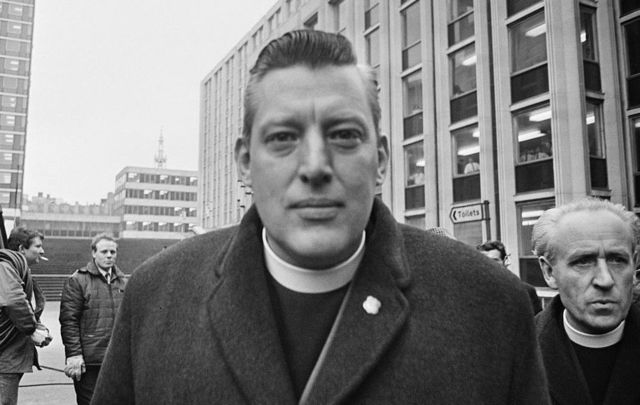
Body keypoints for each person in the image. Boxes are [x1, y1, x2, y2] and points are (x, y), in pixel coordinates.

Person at [92, 30, 549, 404]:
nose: (314, 166)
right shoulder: (156, 295)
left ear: (382, 160)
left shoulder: (490, 306)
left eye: (345, 134)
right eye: (284, 137)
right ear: (245, 163)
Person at [533, 198, 640, 404]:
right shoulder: (516, 355)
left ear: (634, 265)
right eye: (583, 261)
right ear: (549, 272)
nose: (605, 280)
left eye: (617, 260)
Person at [59, 233, 126, 405]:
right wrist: (74, 354)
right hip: (89, 361)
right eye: (104, 251)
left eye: (113, 251)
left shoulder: (124, 282)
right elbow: (69, 321)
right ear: (94, 253)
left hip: (116, 360)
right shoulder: (78, 281)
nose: (109, 255)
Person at [0, 227, 51, 405]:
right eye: (38, 246)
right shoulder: (5, 267)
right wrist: (32, 330)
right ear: (22, 249)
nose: (42, 251)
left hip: (10, 356)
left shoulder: (17, 269)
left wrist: (39, 328)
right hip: (5, 358)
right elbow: (14, 302)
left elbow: (28, 307)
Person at [476, 240, 543, 314]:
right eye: (485, 261)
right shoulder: (472, 293)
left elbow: (537, 323)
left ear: (504, 261)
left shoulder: (525, 292)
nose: (489, 265)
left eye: (495, 261)